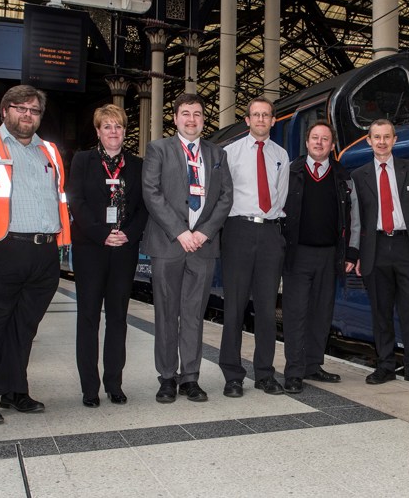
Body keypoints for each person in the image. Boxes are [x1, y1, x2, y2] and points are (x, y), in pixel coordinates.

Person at [0, 84, 71, 425]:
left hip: (44, 252)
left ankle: (14, 390)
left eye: (34, 110)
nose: (27, 115)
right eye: (20, 108)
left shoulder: (50, 152)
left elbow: (58, 198)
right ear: (6, 110)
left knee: (24, 327)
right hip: (2, 247)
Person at [142, 93, 232, 403]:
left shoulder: (217, 154)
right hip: (169, 244)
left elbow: (225, 198)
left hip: (203, 247)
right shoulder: (158, 149)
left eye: (197, 114)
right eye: (185, 114)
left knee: (194, 314)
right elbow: (151, 193)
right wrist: (181, 232)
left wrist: (204, 233)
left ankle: (190, 377)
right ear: (175, 118)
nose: (191, 119)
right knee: (167, 313)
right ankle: (167, 377)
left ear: (204, 120)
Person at [68, 104, 148, 408]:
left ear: (125, 131)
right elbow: (76, 201)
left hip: (124, 249)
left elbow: (144, 206)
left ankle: (114, 383)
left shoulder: (137, 165)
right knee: (88, 318)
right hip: (91, 248)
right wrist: (103, 233)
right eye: (107, 126)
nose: (113, 131)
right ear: (98, 131)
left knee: (118, 318)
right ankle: (90, 387)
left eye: (118, 126)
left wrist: (129, 232)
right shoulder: (83, 161)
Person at [351, 119, 409, 386]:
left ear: (395, 140)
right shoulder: (359, 175)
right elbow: (355, 220)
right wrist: (355, 255)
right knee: (381, 310)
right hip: (375, 249)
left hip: (407, 247)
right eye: (376, 137)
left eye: (386, 137)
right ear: (369, 141)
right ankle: (385, 365)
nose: (381, 141)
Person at [281, 122, 359, 393]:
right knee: (295, 313)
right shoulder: (291, 172)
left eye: (325, 139)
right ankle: (293, 371)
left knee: (322, 313)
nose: (319, 142)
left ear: (332, 145)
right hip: (297, 254)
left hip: (329, 255)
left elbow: (353, 217)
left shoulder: (342, 176)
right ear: (307, 142)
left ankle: (313, 366)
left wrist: (350, 252)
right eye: (314, 137)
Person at [219, 97, 289, 398]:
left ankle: (264, 373)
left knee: (265, 307)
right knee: (234, 306)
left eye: (266, 115)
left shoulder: (281, 155)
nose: (261, 120)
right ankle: (233, 375)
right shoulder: (229, 153)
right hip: (238, 229)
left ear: (273, 121)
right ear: (246, 120)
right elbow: (222, 195)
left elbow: (281, 196)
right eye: (255, 115)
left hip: (270, 231)